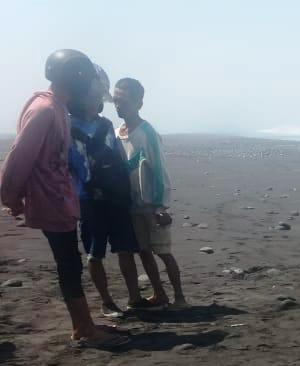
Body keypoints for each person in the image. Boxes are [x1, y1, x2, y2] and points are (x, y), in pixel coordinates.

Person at [0, 49, 128, 349]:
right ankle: (83, 327)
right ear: (77, 79)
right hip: (52, 201)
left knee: (69, 261)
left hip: (59, 199)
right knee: (69, 263)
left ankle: (83, 323)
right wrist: (10, 197)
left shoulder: (55, 106)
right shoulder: (45, 110)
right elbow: (19, 158)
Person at [68, 65, 152, 317]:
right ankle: (106, 301)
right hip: (88, 199)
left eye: (97, 99)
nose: (95, 103)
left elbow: (116, 157)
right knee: (95, 253)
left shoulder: (105, 125)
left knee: (125, 249)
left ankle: (135, 297)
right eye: (91, 98)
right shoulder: (67, 126)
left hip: (115, 197)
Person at [113, 78, 187, 309]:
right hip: (131, 204)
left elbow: (159, 170)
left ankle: (180, 298)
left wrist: (161, 206)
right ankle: (159, 294)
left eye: (123, 101)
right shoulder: (118, 133)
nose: (118, 106)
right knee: (144, 251)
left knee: (163, 252)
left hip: (151, 203)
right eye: (115, 101)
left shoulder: (148, 133)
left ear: (138, 103)